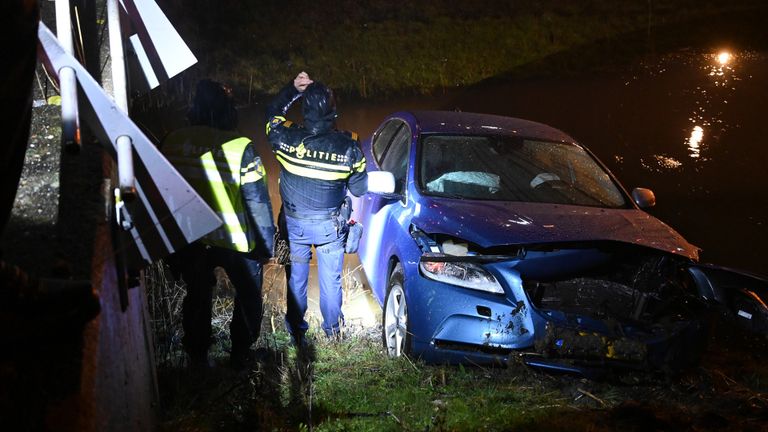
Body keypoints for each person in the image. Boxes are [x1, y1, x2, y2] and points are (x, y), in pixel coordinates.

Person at [162, 79, 275, 369]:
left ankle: (197, 356)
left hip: (189, 236)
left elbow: (160, 192)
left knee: (197, 293)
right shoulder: (241, 147)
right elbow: (258, 205)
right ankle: (240, 353)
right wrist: (265, 247)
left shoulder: (173, 140)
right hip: (234, 240)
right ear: (227, 110)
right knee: (248, 294)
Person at [265, 72, 367, 344]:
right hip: (330, 228)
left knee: (296, 277)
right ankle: (333, 332)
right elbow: (359, 189)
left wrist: (292, 90)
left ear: (304, 109)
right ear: (333, 111)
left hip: (295, 224)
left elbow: (272, 114)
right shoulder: (350, 146)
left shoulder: (283, 137)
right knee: (331, 281)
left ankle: (296, 331)